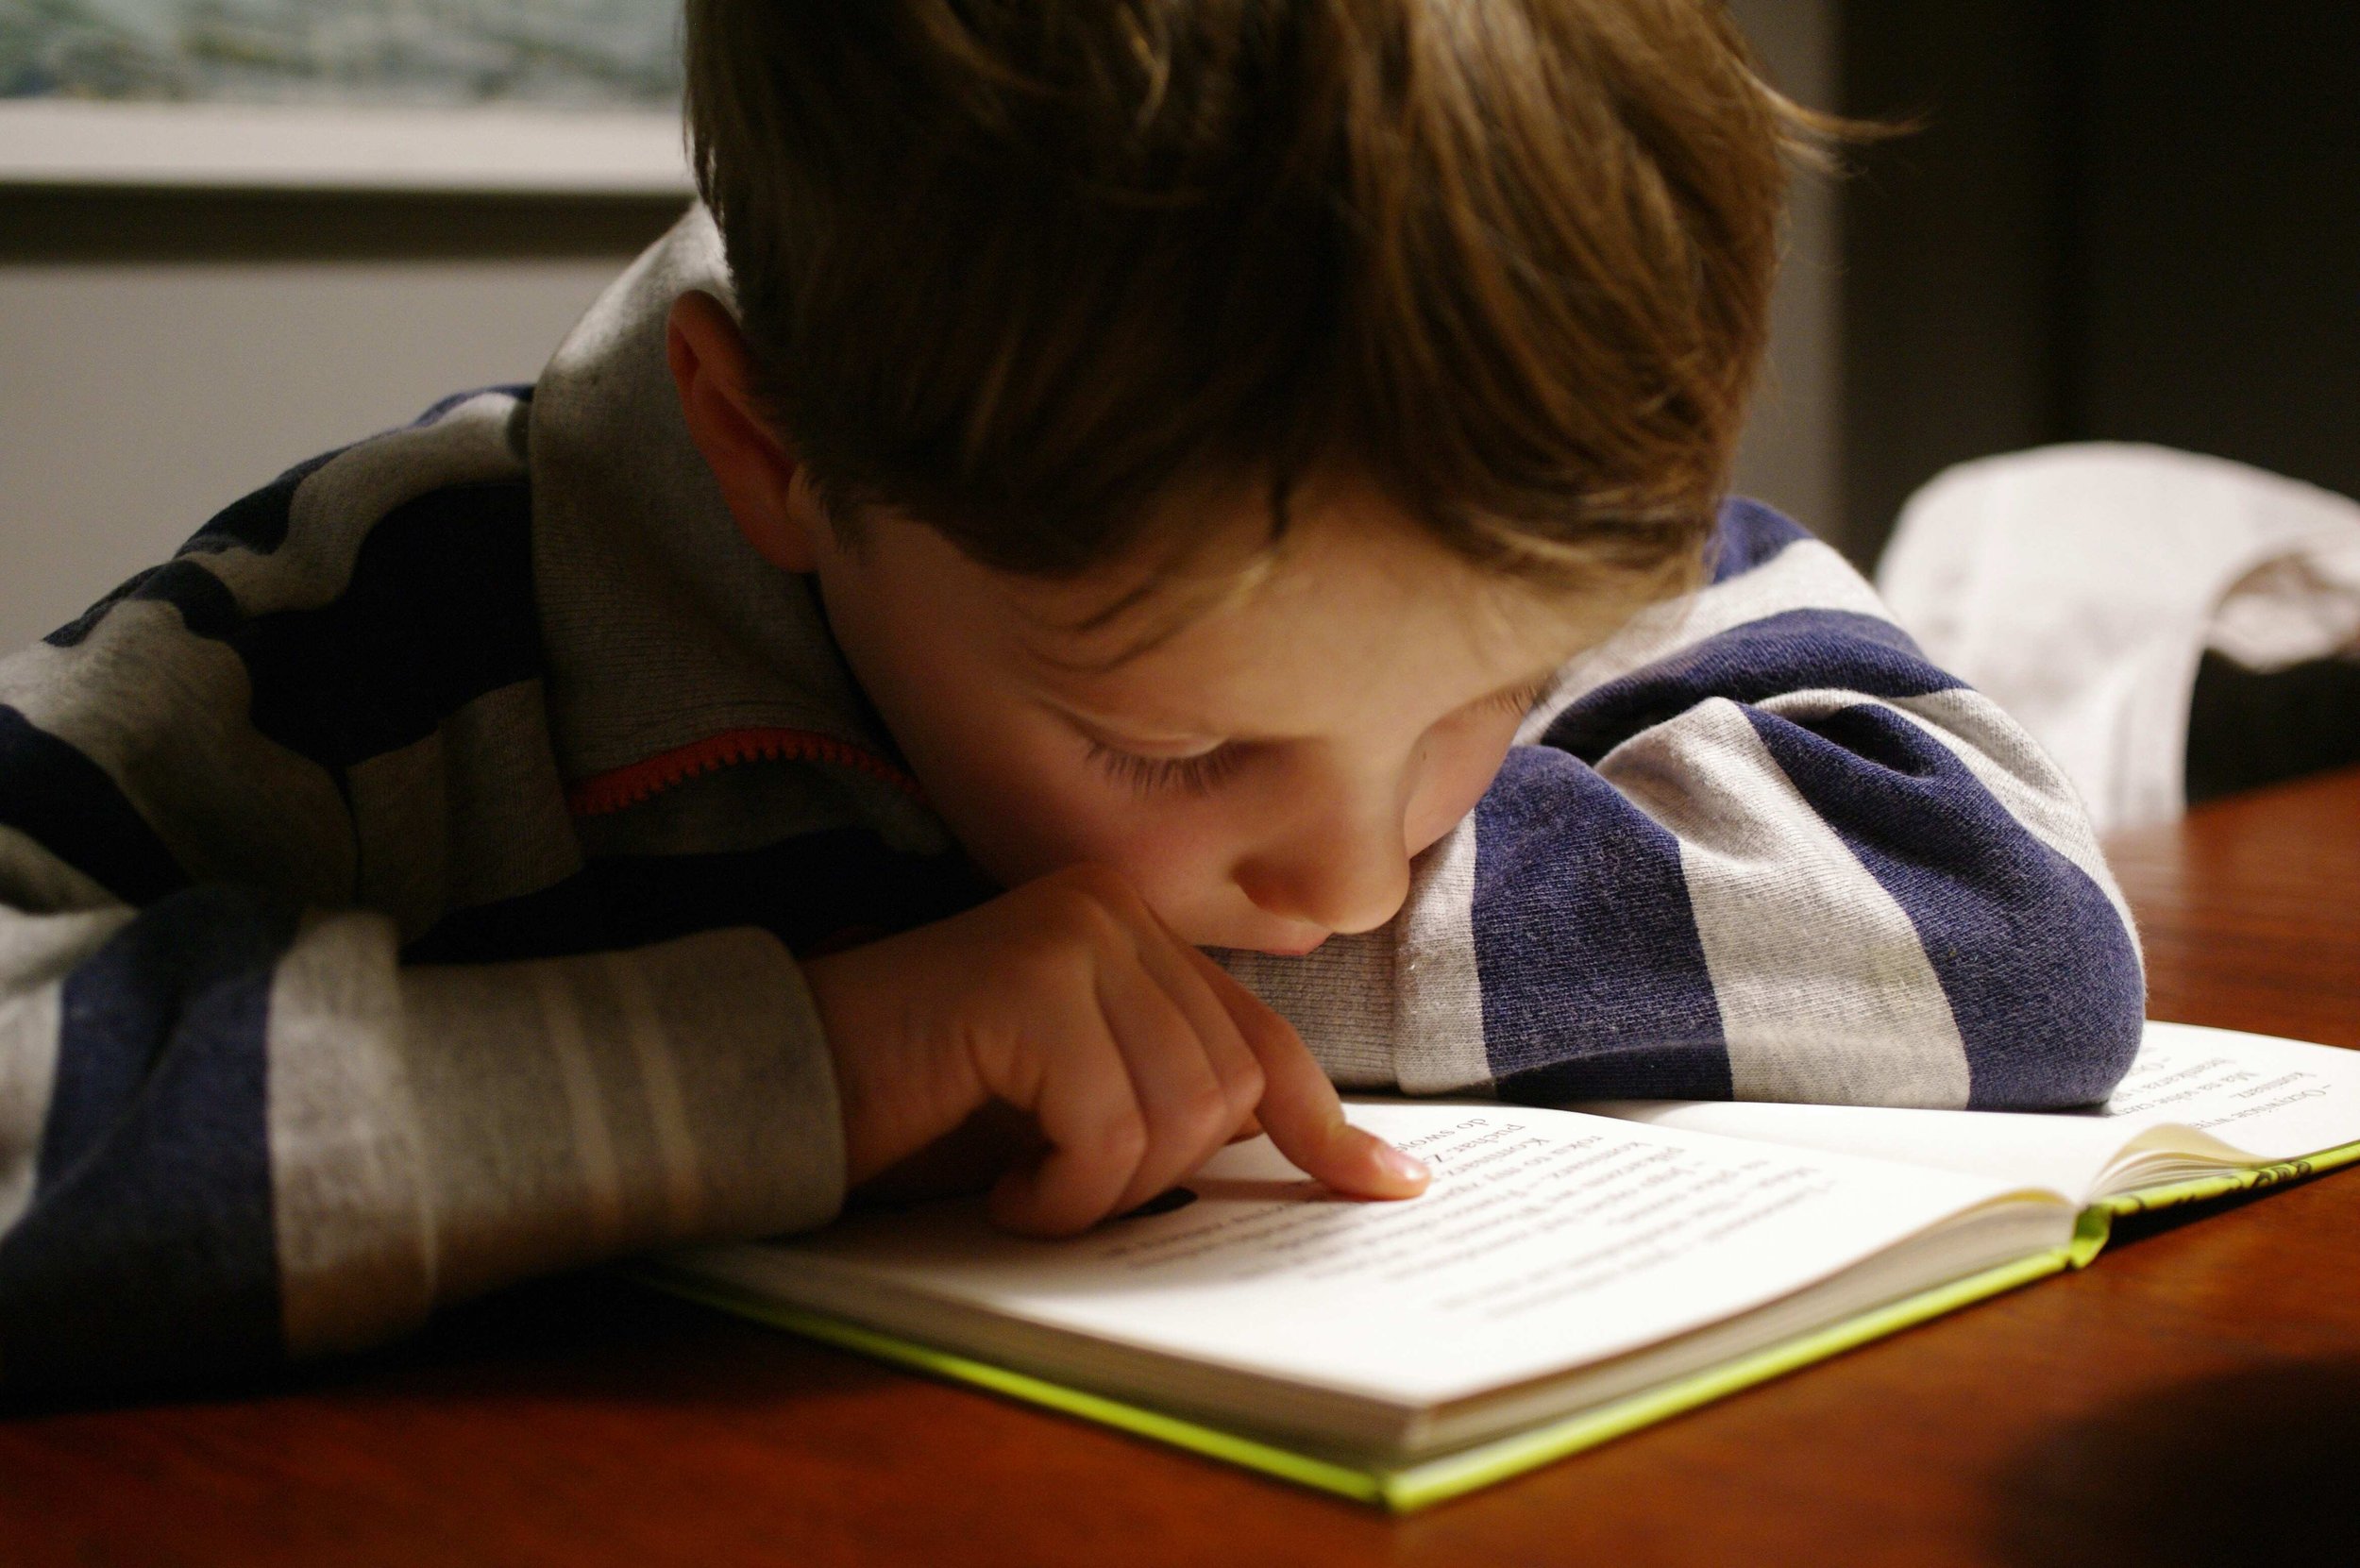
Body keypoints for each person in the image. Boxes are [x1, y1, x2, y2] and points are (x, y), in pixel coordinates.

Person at [0, 1, 2143, 1392]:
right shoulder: (368, 633)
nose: (1346, 871)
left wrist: (1149, 1008)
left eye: (1490, 697)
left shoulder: (1462, 473)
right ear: (774, 459)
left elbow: (2011, 918)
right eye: (1180, 744)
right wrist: (808, 1053)